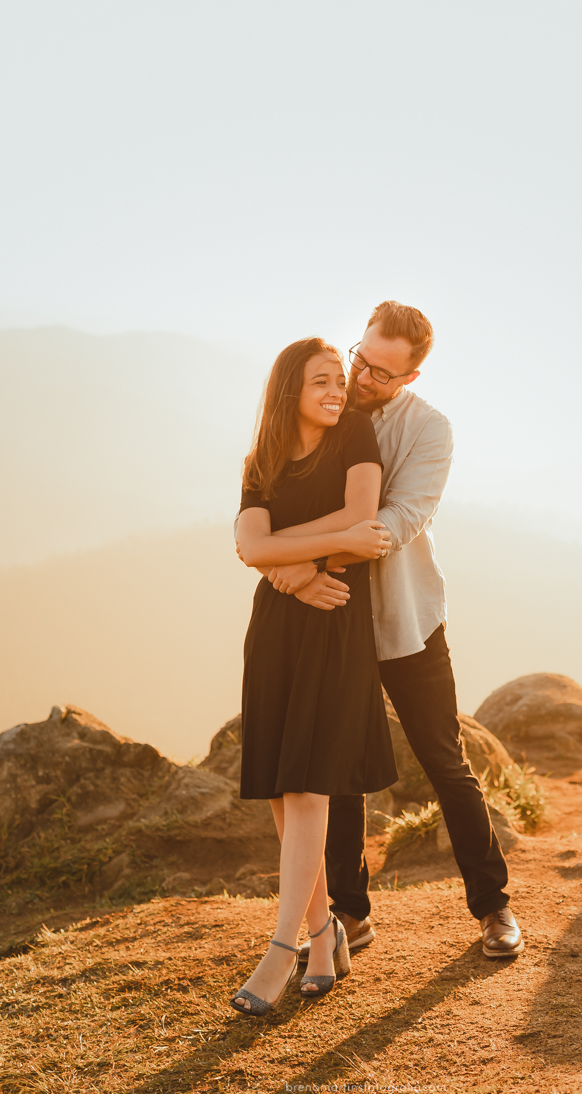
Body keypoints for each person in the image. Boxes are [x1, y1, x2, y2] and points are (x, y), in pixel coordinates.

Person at [262, 302, 524, 960]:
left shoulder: (428, 429)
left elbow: (393, 526)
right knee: (338, 772)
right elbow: (277, 510)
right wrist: (286, 571)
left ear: (409, 377)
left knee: (445, 762)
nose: (361, 377)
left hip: (407, 622)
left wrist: (289, 565)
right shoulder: (324, 415)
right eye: (360, 358)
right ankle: (351, 915)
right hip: (332, 621)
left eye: (380, 372)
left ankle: (493, 908)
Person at [232, 337, 398, 1017]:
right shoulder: (262, 458)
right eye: (321, 382)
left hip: (334, 624)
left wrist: (291, 560)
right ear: (288, 392)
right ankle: (325, 934)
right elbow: (248, 546)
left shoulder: (355, 432)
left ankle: (282, 948)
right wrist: (298, 570)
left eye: (340, 379)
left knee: (307, 785)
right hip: (277, 626)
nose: (338, 391)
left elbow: (365, 518)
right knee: (280, 788)